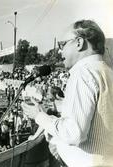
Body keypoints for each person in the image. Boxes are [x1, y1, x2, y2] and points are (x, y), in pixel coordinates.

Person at [21, 19, 113, 166]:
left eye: (62, 44)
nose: (59, 50)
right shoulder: (107, 71)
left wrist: (39, 116)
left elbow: (73, 134)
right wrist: (61, 107)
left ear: (79, 43)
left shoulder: (83, 73)